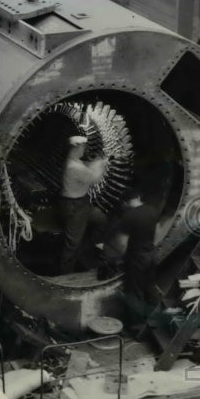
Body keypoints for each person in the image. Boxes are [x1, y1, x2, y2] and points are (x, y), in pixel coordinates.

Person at [106, 187, 161, 325]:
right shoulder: (152, 210)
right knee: (150, 287)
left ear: (125, 202)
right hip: (152, 254)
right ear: (138, 197)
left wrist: (118, 259)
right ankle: (156, 319)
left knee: (135, 293)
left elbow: (122, 243)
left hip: (137, 258)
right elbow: (158, 231)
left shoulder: (129, 216)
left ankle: (137, 326)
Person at [58, 135, 108, 273]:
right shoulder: (73, 166)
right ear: (75, 148)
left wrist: (97, 162)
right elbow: (93, 178)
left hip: (81, 203)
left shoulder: (74, 161)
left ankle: (86, 250)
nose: (84, 150)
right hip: (75, 207)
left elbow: (86, 166)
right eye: (82, 147)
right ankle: (65, 274)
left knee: (101, 219)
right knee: (72, 243)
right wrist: (102, 165)